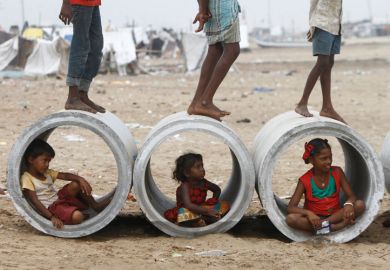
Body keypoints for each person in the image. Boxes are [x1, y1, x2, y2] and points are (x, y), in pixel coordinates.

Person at [21, 139, 112, 229]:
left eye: (49, 161)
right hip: (51, 208)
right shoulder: (27, 178)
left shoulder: (46, 172)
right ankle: (79, 214)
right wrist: (51, 217)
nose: (47, 164)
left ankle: (95, 205)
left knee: (76, 184)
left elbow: (65, 176)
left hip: (59, 199)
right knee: (77, 216)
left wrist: (80, 179)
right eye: (45, 160)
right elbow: (35, 201)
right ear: (31, 159)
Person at [286, 138, 365, 234]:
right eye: (323, 158)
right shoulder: (304, 180)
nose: (328, 161)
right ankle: (336, 227)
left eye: (330, 157)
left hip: (335, 216)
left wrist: (348, 204)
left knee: (359, 205)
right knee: (291, 219)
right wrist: (309, 213)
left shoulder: (337, 172)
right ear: (311, 160)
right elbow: (291, 208)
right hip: (314, 219)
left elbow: (351, 196)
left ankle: (323, 226)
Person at [187, 0, 241, 121]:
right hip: (224, 7)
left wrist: (203, 9)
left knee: (215, 50)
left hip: (213, 8)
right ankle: (205, 101)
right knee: (232, 50)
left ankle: (196, 103)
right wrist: (202, 10)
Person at [295, 0, 346, 123]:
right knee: (322, 62)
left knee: (329, 63)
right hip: (322, 23)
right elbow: (313, 4)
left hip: (335, 25)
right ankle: (302, 103)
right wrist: (312, 24)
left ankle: (327, 107)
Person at [59, 0, 105, 113]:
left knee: (96, 48)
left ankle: (82, 94)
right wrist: (66, 3)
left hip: (93, 3)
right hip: (79, 2)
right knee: (81, 45)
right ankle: (72, 97)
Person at [164, 153, 230, 227]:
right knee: (183, 213)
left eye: (202, 166)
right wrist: (207, 211)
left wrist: (213, 200)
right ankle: (197, 222)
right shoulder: (185, 186)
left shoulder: (204, 182)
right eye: (198, 167)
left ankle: (201, 220)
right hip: (188, 210)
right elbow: (188, 205)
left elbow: (217, 190)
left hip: (201, 208)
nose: (202, 169)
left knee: (224, 204)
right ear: (187, 173)